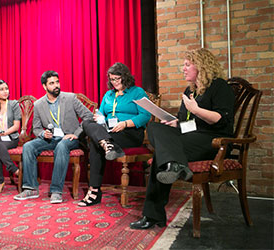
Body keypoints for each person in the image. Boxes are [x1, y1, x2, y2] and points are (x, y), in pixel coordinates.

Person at [130, 48, 235, 230]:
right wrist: (176, 124)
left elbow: (221, 120)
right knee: (155, 127)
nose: (183, 69)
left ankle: (153, 216)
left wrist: (195, 110)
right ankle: (175, 165)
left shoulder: (219, 86)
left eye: (187, 65)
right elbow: (191, 124)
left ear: (201, 67)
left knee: (162, 158)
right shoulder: (190, 90)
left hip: (214, 140)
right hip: (191, 136)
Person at [13, 70, 93, 204]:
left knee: (62, 146)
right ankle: (30, 188)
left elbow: (89, 116)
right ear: (44, 86)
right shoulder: (38, 104)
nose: (56, 85)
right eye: (51, 83)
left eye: (57, 82)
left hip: (70, 138)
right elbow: (37, 128)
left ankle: (56, 191)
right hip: (51, 139)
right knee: (28, 146)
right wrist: (43, 134)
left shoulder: (70, 98)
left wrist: (77, 133)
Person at [78, 62, 151, 207]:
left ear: (125, 77)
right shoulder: (109, 94)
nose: (114, 82)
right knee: (86, 123)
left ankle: (94, 191)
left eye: (117, 79)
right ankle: (108, 144)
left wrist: (125, 123)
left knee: (95, 142)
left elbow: (145, 116)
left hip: (130, 133)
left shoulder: (137, 92)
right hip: (109, 131)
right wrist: (99, 117)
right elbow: (101, 112)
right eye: (112, 79)